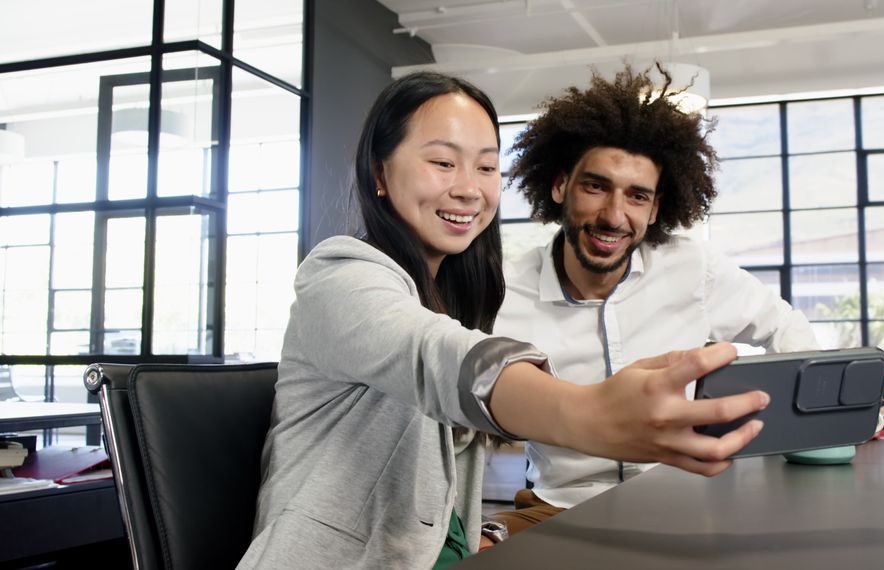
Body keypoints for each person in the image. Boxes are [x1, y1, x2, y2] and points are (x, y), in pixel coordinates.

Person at [237, 71, 771, 569]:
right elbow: (435, 356)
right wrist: (590, 411)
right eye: (443, 163)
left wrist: (487, 533)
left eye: (487, 167)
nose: (470, 188)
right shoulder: (340, 276)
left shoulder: (457, 295)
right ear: (380, 173)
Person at [491, 63, 820, 534]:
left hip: (689, 502)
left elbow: (782, 326)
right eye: (596, 186)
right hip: (559, 509)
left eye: (637, 196)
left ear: (656, 208)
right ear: (561, 186)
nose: (614, 215)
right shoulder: (503, 296)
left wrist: (815, 426)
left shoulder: (693, 269)